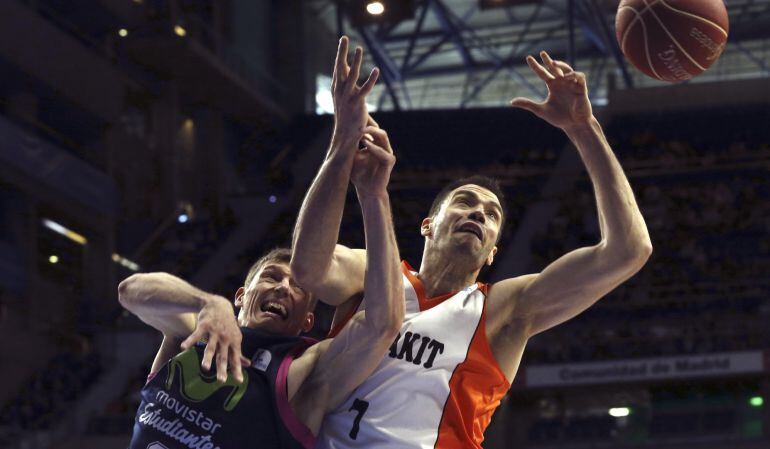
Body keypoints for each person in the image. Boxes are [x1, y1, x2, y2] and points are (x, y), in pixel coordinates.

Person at [291, 36, 653, 449]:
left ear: (493, 252)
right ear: (428, 225)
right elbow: (308, 267)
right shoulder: (375, 272)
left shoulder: (503, 309)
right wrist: (342, 143)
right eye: (464, 202)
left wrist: (583, 128)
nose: (479, 213)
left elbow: (629, 250)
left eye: (493, 215)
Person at [118, 105, 403, 449]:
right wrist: (208, 301)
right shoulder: (194, 331)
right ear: (241, 295)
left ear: (307, 320)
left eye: (298, 287)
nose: (284, 287)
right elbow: (130, 290)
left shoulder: (304, 368)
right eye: (271, 277)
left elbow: (381, 325)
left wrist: (373, 194)